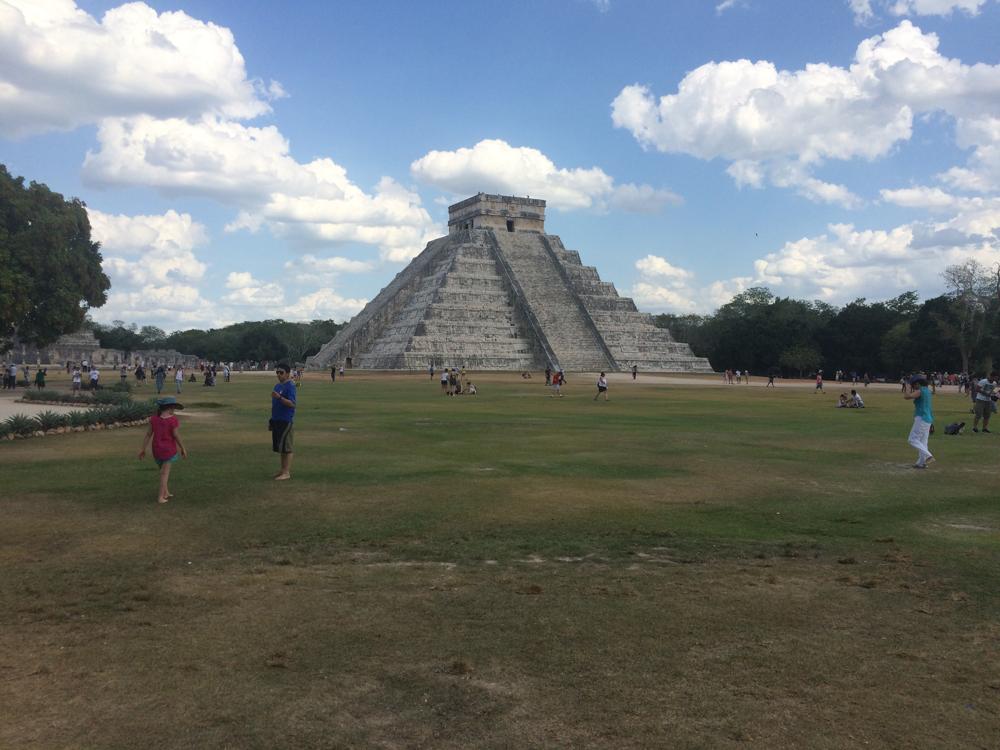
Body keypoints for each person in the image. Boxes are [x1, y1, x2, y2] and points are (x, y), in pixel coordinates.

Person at [138, 396, 187, 503]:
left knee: (163, 471)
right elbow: (176, 435)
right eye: (173, 408)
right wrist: (183, 448)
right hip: (168, 450)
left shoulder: (154, 419)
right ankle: (160, 497)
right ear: (169, 408)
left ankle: (166, 492)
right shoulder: (173, 420)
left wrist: (143, 449)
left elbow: (148, 434)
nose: (174, 410)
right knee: (164, 474)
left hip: (157, 450)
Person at [270, 363, 297, 481]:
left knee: (287, 448)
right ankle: (282, 470)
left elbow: (292, 404)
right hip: (277, 420)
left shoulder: (290, 386)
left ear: (287, 373)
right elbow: (274, 405)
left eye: (281, 373)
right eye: (277, 372)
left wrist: (280, 398)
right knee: (281, 448)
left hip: (286, 420)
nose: (279, 375)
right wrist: (271, 419)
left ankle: (287, 472)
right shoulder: (277, 386)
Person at [903, 374, 934, 469]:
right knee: (923, 442)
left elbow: (907, 396)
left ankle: (928, 455)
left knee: (912, 439)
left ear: (918, 384)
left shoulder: (920, 391)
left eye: (914, 384)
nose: (913, 386)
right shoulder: (928, 391)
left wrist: (907, 387)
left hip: (922, 418)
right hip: (927, 418)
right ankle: (921, 463)